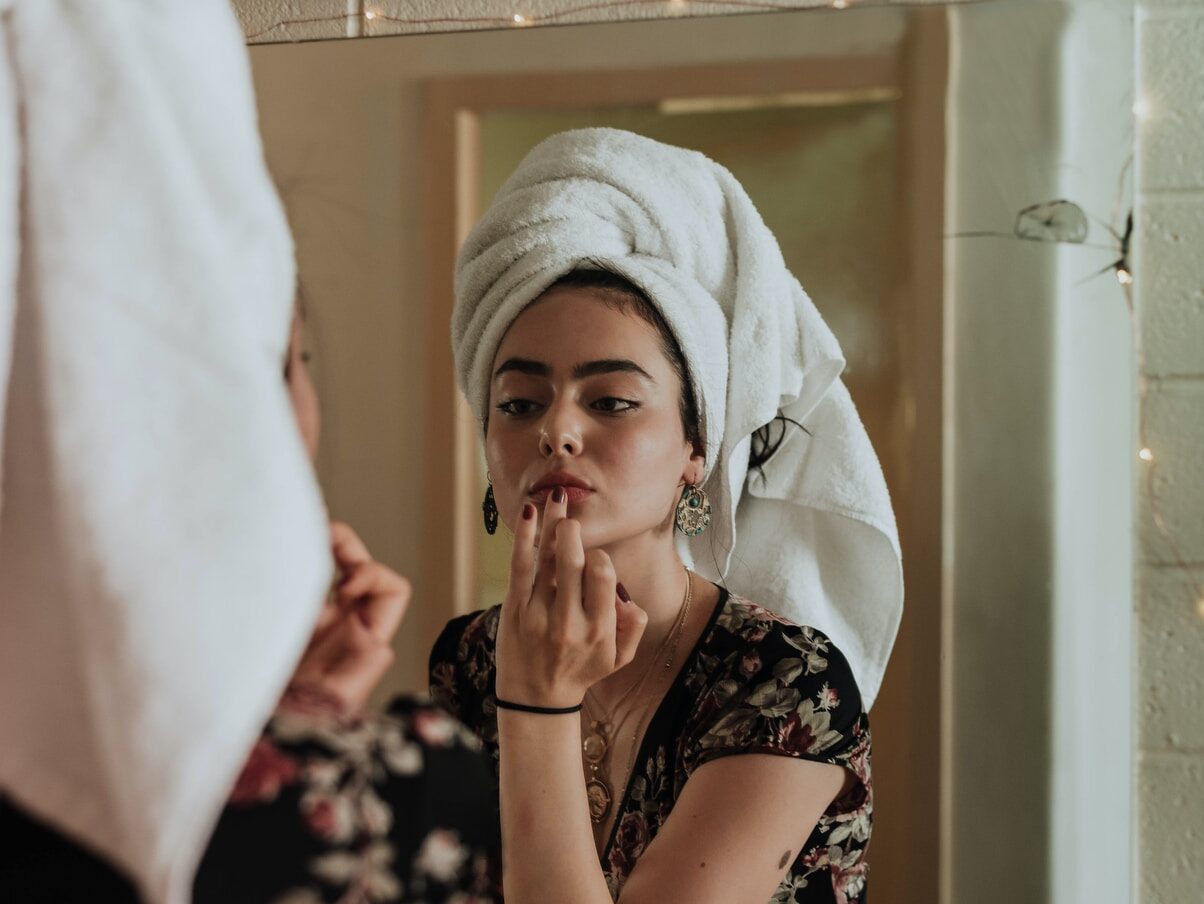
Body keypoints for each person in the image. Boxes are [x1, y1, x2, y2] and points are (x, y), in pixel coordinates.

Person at [429, 128, 903, 903]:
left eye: (611, 400)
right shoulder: (467, 660)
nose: (557, 431)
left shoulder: (784, 686)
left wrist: (536, 703)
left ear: (696, 447)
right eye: (518, 403)